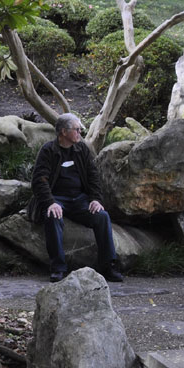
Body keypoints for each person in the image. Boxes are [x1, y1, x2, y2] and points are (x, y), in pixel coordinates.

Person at [31, 113, 122, 283]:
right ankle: (58, 267)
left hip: (80, 199)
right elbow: (39, 180)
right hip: (57, 198)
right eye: (76, 130)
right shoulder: (48, 150)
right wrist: (50, 202)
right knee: (52, 216)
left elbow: (93, 176)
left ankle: (108, 266)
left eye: (80, 130)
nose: (80, 133)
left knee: (102, 216)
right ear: (64, 132)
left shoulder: (82, 149)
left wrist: (95, 199)